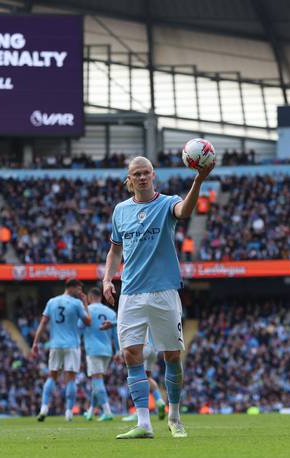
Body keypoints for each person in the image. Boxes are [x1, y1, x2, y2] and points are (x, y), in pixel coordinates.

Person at [103, 155, 214, 439]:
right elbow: (115, 250)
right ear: (129, 180)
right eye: (136, 174)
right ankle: (144, 423)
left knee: (172, 356)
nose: (142, 177)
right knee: (130, 354)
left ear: (154, 176)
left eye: (146, 173)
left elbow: (185, 211)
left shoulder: (166, 203)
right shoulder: (120, 211)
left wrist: (199, 179)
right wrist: (107, 278)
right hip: (130, 292)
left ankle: (175, 417)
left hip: (163, 291)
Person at [32, 278, 91, 422]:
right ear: (71, 288)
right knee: (70, 378)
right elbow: (88, 321)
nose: (80, 292)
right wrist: (85, 303)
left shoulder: (52, 302)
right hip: (72, 345)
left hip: (55, 345)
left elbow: (43, 323)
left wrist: (35, 343)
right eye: (78, 289)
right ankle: (69, 412)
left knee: (52, 376)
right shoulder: (77, 303)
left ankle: (44, 409)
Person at [80, 287, 119, 422]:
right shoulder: (110, 312)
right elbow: (116, 333)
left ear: (90, 298)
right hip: (107, 350)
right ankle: (91, 411)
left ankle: (107, 412)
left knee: (97, 380)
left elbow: (79, 327)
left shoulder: (87, 311)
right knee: (97, 381)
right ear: (101, 297)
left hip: (93, 349)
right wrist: (118, 351)